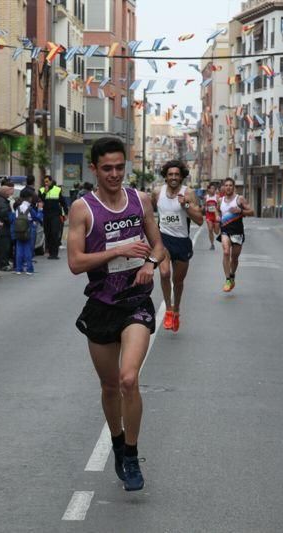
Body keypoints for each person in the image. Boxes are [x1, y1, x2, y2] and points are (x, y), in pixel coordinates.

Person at [67, 137, 165, 492]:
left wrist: (151, 264)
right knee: (109, 386)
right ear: (94, 168)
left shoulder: (140, 201)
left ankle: (132, 455)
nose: (114, 174)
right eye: (107, 168)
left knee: (128, 379)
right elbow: (75, 263)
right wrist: (119, 250)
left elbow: (158, 245)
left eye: (120, 167)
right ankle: (117, 439)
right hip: (101, 305)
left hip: (136, 300)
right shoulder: (83, 208)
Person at [152, 160, 203, 331]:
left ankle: (177, 309)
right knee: (165, 274)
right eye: (170, 174)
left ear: (181, 176)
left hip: (182, 241)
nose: (173, 177)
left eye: (176, 175)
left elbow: (200, 220)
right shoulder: (157, 192)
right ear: (165, 177)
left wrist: (186, 205)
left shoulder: (188, 193)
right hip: (163, 239)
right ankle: (168, 309)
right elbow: (150, 213)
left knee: (178, 281)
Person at [216, 177, 254, 292]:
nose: (228, 187)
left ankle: (232, 275)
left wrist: (241, 211)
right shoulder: (220, 200)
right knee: (226, 252)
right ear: (223, 187)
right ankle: (227, 279)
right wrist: (218, 216)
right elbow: (217, 210)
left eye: (230, 185)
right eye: (226, 185)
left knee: (235, 257)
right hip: (225, 230)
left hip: (237, 231)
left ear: (234, 187)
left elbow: (252, 212)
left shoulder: (239, 199)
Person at [9, 189, 43, 275]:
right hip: (28, 229)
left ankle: (18, 269)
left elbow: (13, 218)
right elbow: (37, 218)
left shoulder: (18, 208)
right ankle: (29, 269)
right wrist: (40, 210)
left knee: (19, 249)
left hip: (18, 230)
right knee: (28, 249)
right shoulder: (30, 208)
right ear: (30, 198)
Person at [40, 176, 68, 259]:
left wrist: (66, 213)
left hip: (55, 215)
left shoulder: (57, 189)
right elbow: (41, 200)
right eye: (45, 181)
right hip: (46, 215)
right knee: (48, 233)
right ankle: (50, 252)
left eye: (47, 181)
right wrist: (45, 192)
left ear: (51, 181)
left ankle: (54, 254)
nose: (46, 183)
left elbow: (63, 202)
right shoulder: (41, 190)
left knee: (55, 233)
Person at [0, 181, 14, 270]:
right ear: (5, 193)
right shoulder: (2, 202)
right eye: (9, 191)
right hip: (3, 228)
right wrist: (10, 219)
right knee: (3, 247)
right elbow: (4, 213)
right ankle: (2, 264)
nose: (10, 192)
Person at [203, 183, 220, 249]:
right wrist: (205, 207)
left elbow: (219, 206)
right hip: (209, 216)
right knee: (210, 229)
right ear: (209, 189)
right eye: (211, 188)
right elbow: (204, 205)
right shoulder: (206, 197)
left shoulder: (217, 197)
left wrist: (216, 208)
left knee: (216, 232)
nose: (213, 190)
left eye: (214, 188)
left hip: (216, 216)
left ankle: (216, 226)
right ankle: (212, 244)